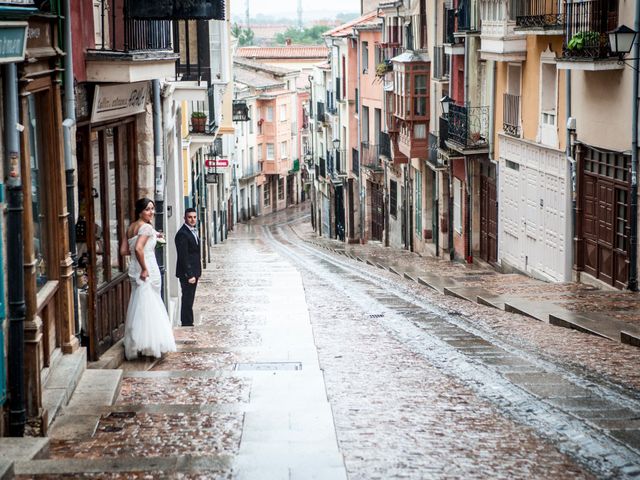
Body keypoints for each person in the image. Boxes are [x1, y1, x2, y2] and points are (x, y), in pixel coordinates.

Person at [120, 198, 176, 359]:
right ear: (140, 211)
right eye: (147, 209)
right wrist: (145, 268)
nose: (151, 212)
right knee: (151, 305)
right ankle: (150, 345)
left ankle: (138, 342)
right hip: (147, 268)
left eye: (152, 209)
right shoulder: (146, 227)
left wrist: (154, 236)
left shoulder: (131, 227)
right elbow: (138, 248)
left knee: (139, 304)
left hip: (133, 269)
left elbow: (125, 250)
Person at [175, 208, 202, 327]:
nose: (192, 219)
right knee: (187, 298)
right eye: (190, 217)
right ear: (185, 218)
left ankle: (188, 321)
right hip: (188, 274)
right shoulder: (182, 234)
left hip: (194, 271)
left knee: (190, 298)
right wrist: (190, 274)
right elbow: (183, 256)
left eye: (194, 217)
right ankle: (186, 323)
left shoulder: (193, 231)